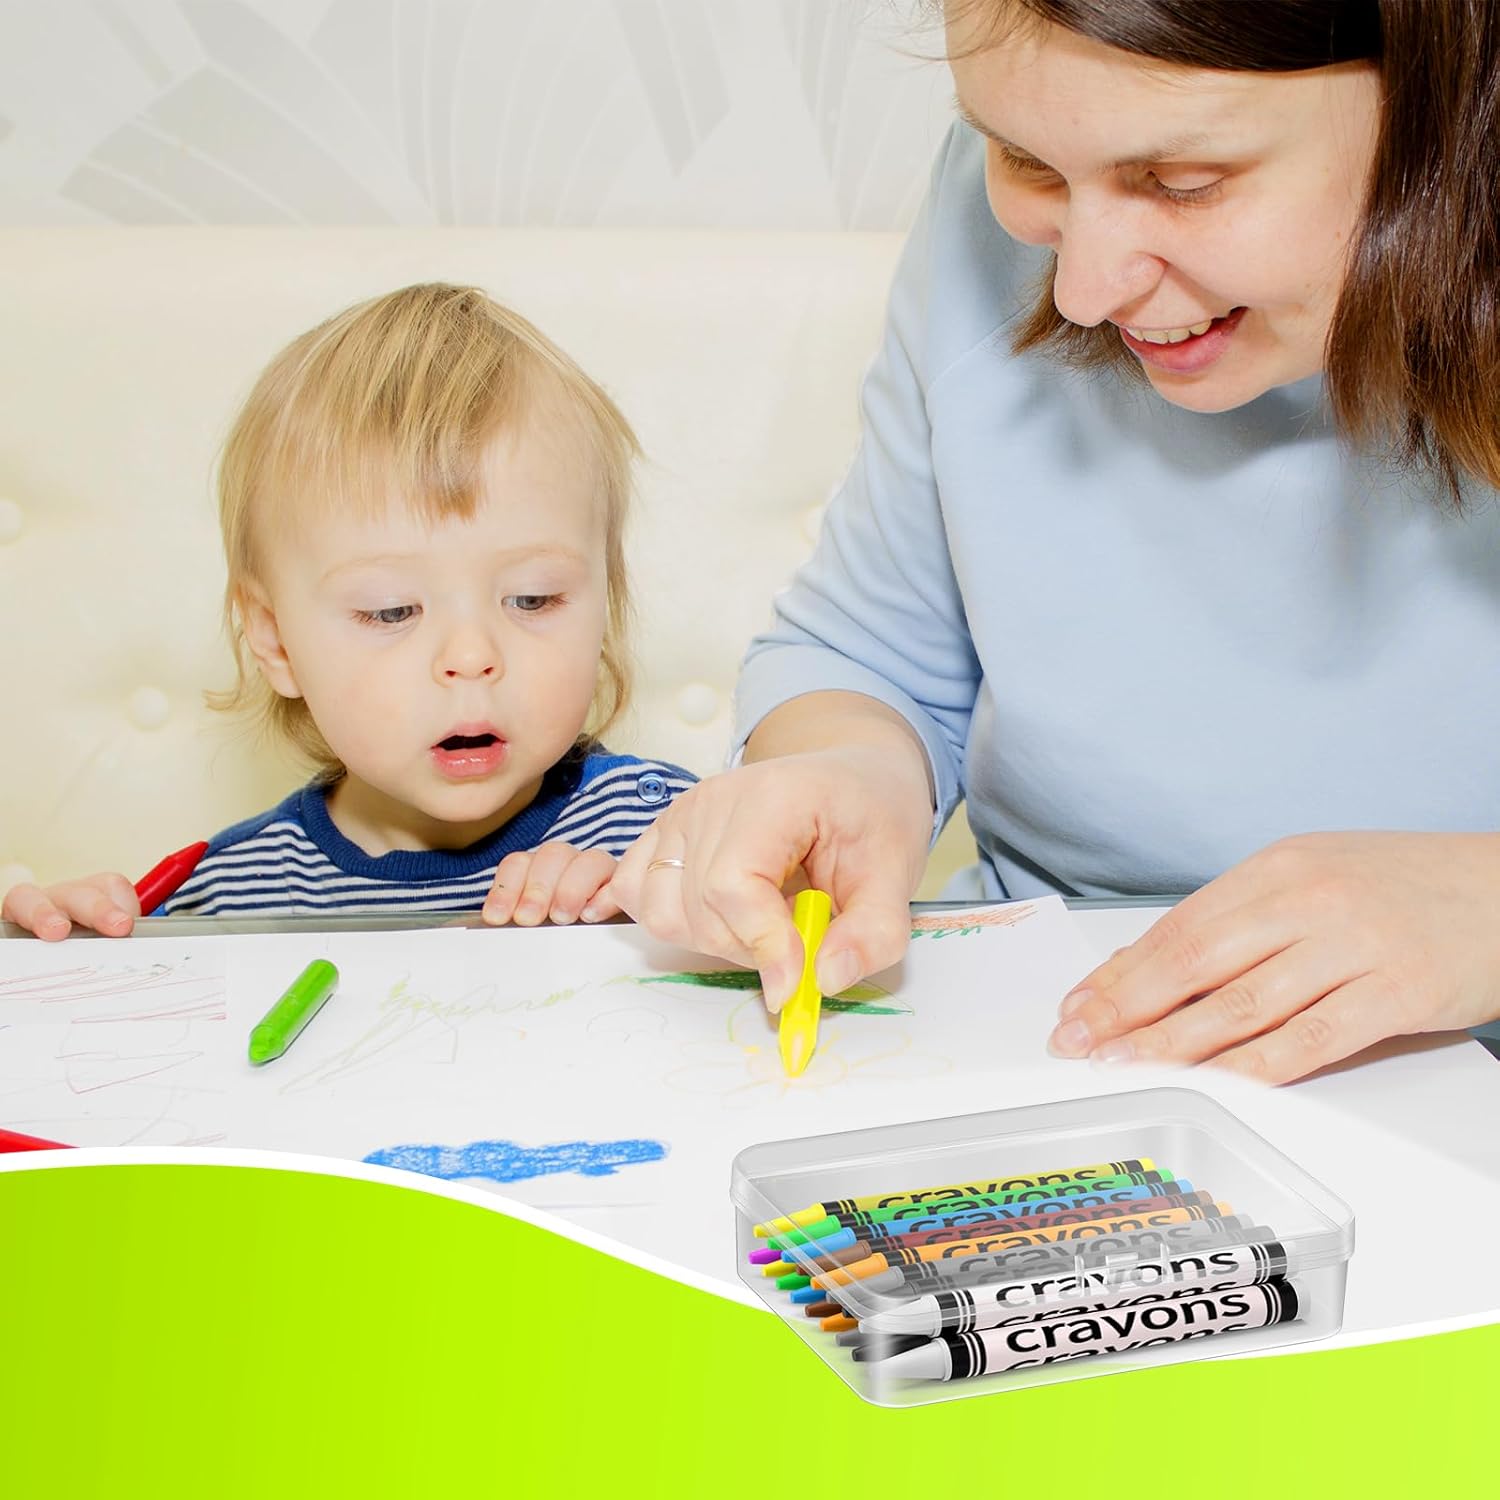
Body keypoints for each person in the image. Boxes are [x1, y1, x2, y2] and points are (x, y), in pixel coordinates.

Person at [612, 0, 1500, 1085]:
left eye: (1183, 182)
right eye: (1023, 161)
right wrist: (849, 775)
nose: (1081, 292)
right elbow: (868, 656)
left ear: (1452, 106)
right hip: (1044, 1043)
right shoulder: (1006, 218)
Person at [2, 283, 693, 938]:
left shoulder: (675, 834)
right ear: (274, 640)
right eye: (392, 611)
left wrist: (665, 928)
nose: (470, 655)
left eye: (532, 598)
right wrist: (74, 955)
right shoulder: (230, 896)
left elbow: (785, 950)